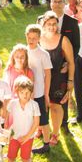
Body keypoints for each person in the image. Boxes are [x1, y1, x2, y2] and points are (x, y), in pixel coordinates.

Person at [37, 12, 74, 148]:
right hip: (40, 78)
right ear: (43, 25)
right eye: (49, 24)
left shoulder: (63, 40)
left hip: (58, 78)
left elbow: (71, 62)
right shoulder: (39, 39)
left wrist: (70, 81)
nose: (52, 27)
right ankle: (41, 128)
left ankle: (55, 133)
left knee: (55, 106)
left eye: (54, 24)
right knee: (40, 105)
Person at [5, 76, 40, 162]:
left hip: (28, 137)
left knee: (25, 158)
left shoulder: (34, 105)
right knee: (11, 157)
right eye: (22, 92)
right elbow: (6, 118)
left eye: (27, 92)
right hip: (14, 136)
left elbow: (36, 123)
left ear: (31, 93)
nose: (25, 95)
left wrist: (26, 137)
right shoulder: (13, 104)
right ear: (17, 92)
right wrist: (7, 133)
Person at [24, 24, 52, 154]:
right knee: (28, 118)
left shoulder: (43, 54)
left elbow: (48, 75)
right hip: (25, 92)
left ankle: (46, 144)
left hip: (39, 91)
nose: (31, 40)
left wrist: (46, 93)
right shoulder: (24, 51)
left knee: (43, 119)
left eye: (34, 38)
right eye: (29, 37)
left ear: (39, 38)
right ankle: (26, 141)